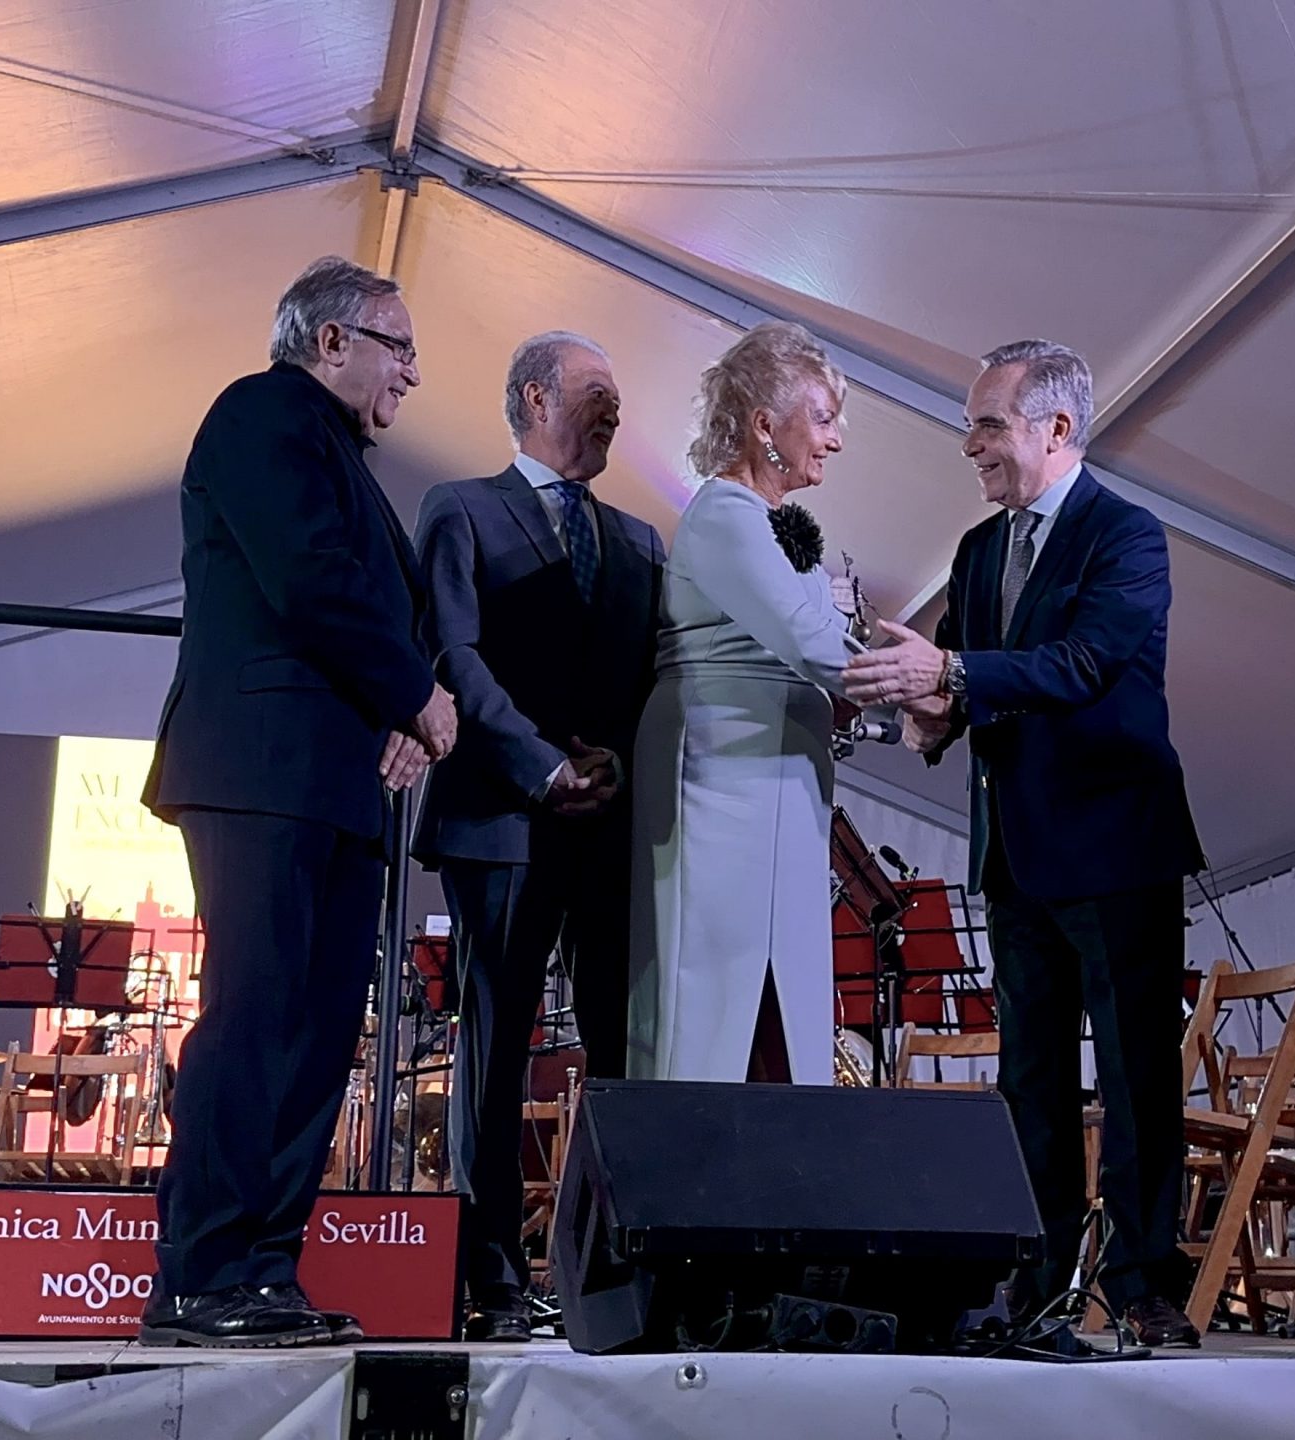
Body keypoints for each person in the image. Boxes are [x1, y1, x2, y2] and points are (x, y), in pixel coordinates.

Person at [843, 339, 1205, 1349]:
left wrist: (950, 676)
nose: (970, 445)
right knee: (1029, 1082)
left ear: (1057, 428)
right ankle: (1037, 1287)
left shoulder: (1126, 536)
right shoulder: (977, 551)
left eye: (988, 425)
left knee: (1135, 1075)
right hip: (1013, 855)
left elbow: (1082, 664)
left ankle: (1142, 1285)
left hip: (1117, 848)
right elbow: (963, 683)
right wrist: (923, 713)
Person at [139, 256, 457, 1348]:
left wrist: (403, 716)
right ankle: (201, 1276)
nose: (412, 373)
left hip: (337, 781)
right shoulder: (263, 413)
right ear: (331, 341)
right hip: (263, 769)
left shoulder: (340, 454)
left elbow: (378, 606)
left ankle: (265, 1271)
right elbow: (310, 578)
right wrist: (418, 696)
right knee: (257, 1017)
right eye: (399, 347)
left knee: (318, 1035)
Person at [412, 330, 663, 1343]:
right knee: (498, 1040)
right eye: (595, 392)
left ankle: (609, 1269)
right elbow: (451, 654)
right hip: (500, 819)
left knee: (618, 1046)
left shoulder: (642, 542)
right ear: (531, 398)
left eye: (618, 399)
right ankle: (490, 1274)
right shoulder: (461, 509)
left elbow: (654, 681)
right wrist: (540, 765)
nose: (614, 411)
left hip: (605, 828)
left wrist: (618, 766)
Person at [628, 320, 880, 1087]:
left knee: (779, 1014)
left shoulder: (776, 527)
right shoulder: (724, 516)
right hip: (721, 790)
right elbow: (809, 639)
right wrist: (926, 685)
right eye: (824, 419)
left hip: (782, 795)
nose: (836, 440)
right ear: (765, 425)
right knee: (707, 1002)